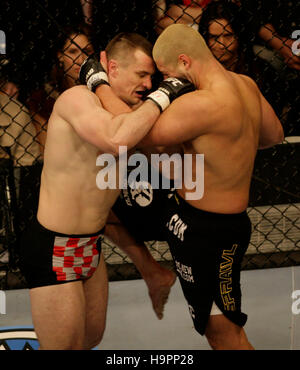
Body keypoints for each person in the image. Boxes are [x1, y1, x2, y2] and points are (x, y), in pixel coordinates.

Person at [94, 24, 284, 350]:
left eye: (168, 76)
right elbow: (273, 135)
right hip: (224, 225)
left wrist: (98, 84)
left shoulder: (202, 103)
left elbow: (132, 134)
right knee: (221, 329)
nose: (168, 85)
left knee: (223, 334)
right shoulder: (246, 85)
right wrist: (225, 147)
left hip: (206, 232)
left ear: (184, 62)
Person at [19, 32, 194, 350]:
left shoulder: (131, 117)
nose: (147, 84)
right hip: (54, 247)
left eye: (153, 78)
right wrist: (165, 95)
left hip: (90, 247)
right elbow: (116, 138)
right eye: (141, 74)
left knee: (90, 341)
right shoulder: (77, 100)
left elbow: (169, 162)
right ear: (112, 68)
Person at [26, 23, 94, 154]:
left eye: (87, 51)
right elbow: (48, 152)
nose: (80, 60)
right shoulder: (43, 100)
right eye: (73, 52)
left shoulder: (103, 90)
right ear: (60, 56)